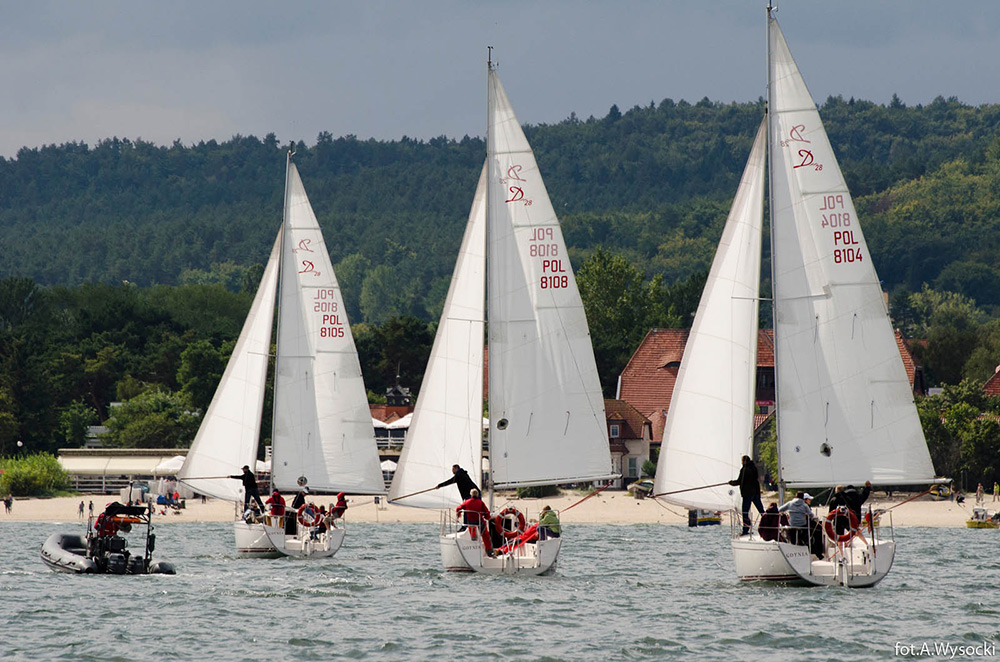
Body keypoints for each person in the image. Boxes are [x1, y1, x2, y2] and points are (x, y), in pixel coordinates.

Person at [729, 455, 764, 535]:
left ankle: (746, 529)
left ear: (744, 461)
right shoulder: (754, 468)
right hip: (756, 493)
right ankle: (770, 524)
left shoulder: (744, 469)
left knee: (745, 512)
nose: (741, 463)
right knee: (761, 510)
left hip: (747, 494)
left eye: (742, 461)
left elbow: (740, 481)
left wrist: (731, 483)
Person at [456, 489, 493, 554]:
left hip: (470, 522)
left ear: (471, 494)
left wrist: (459, 515)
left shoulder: (467, 502)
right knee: (485, 535)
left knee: (472, 528)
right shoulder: (480, 502)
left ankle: (473, 539)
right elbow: (486, 512)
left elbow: (458, 508)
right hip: (479, 521)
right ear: (477, 495)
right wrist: (487, 517)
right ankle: (489, 550)